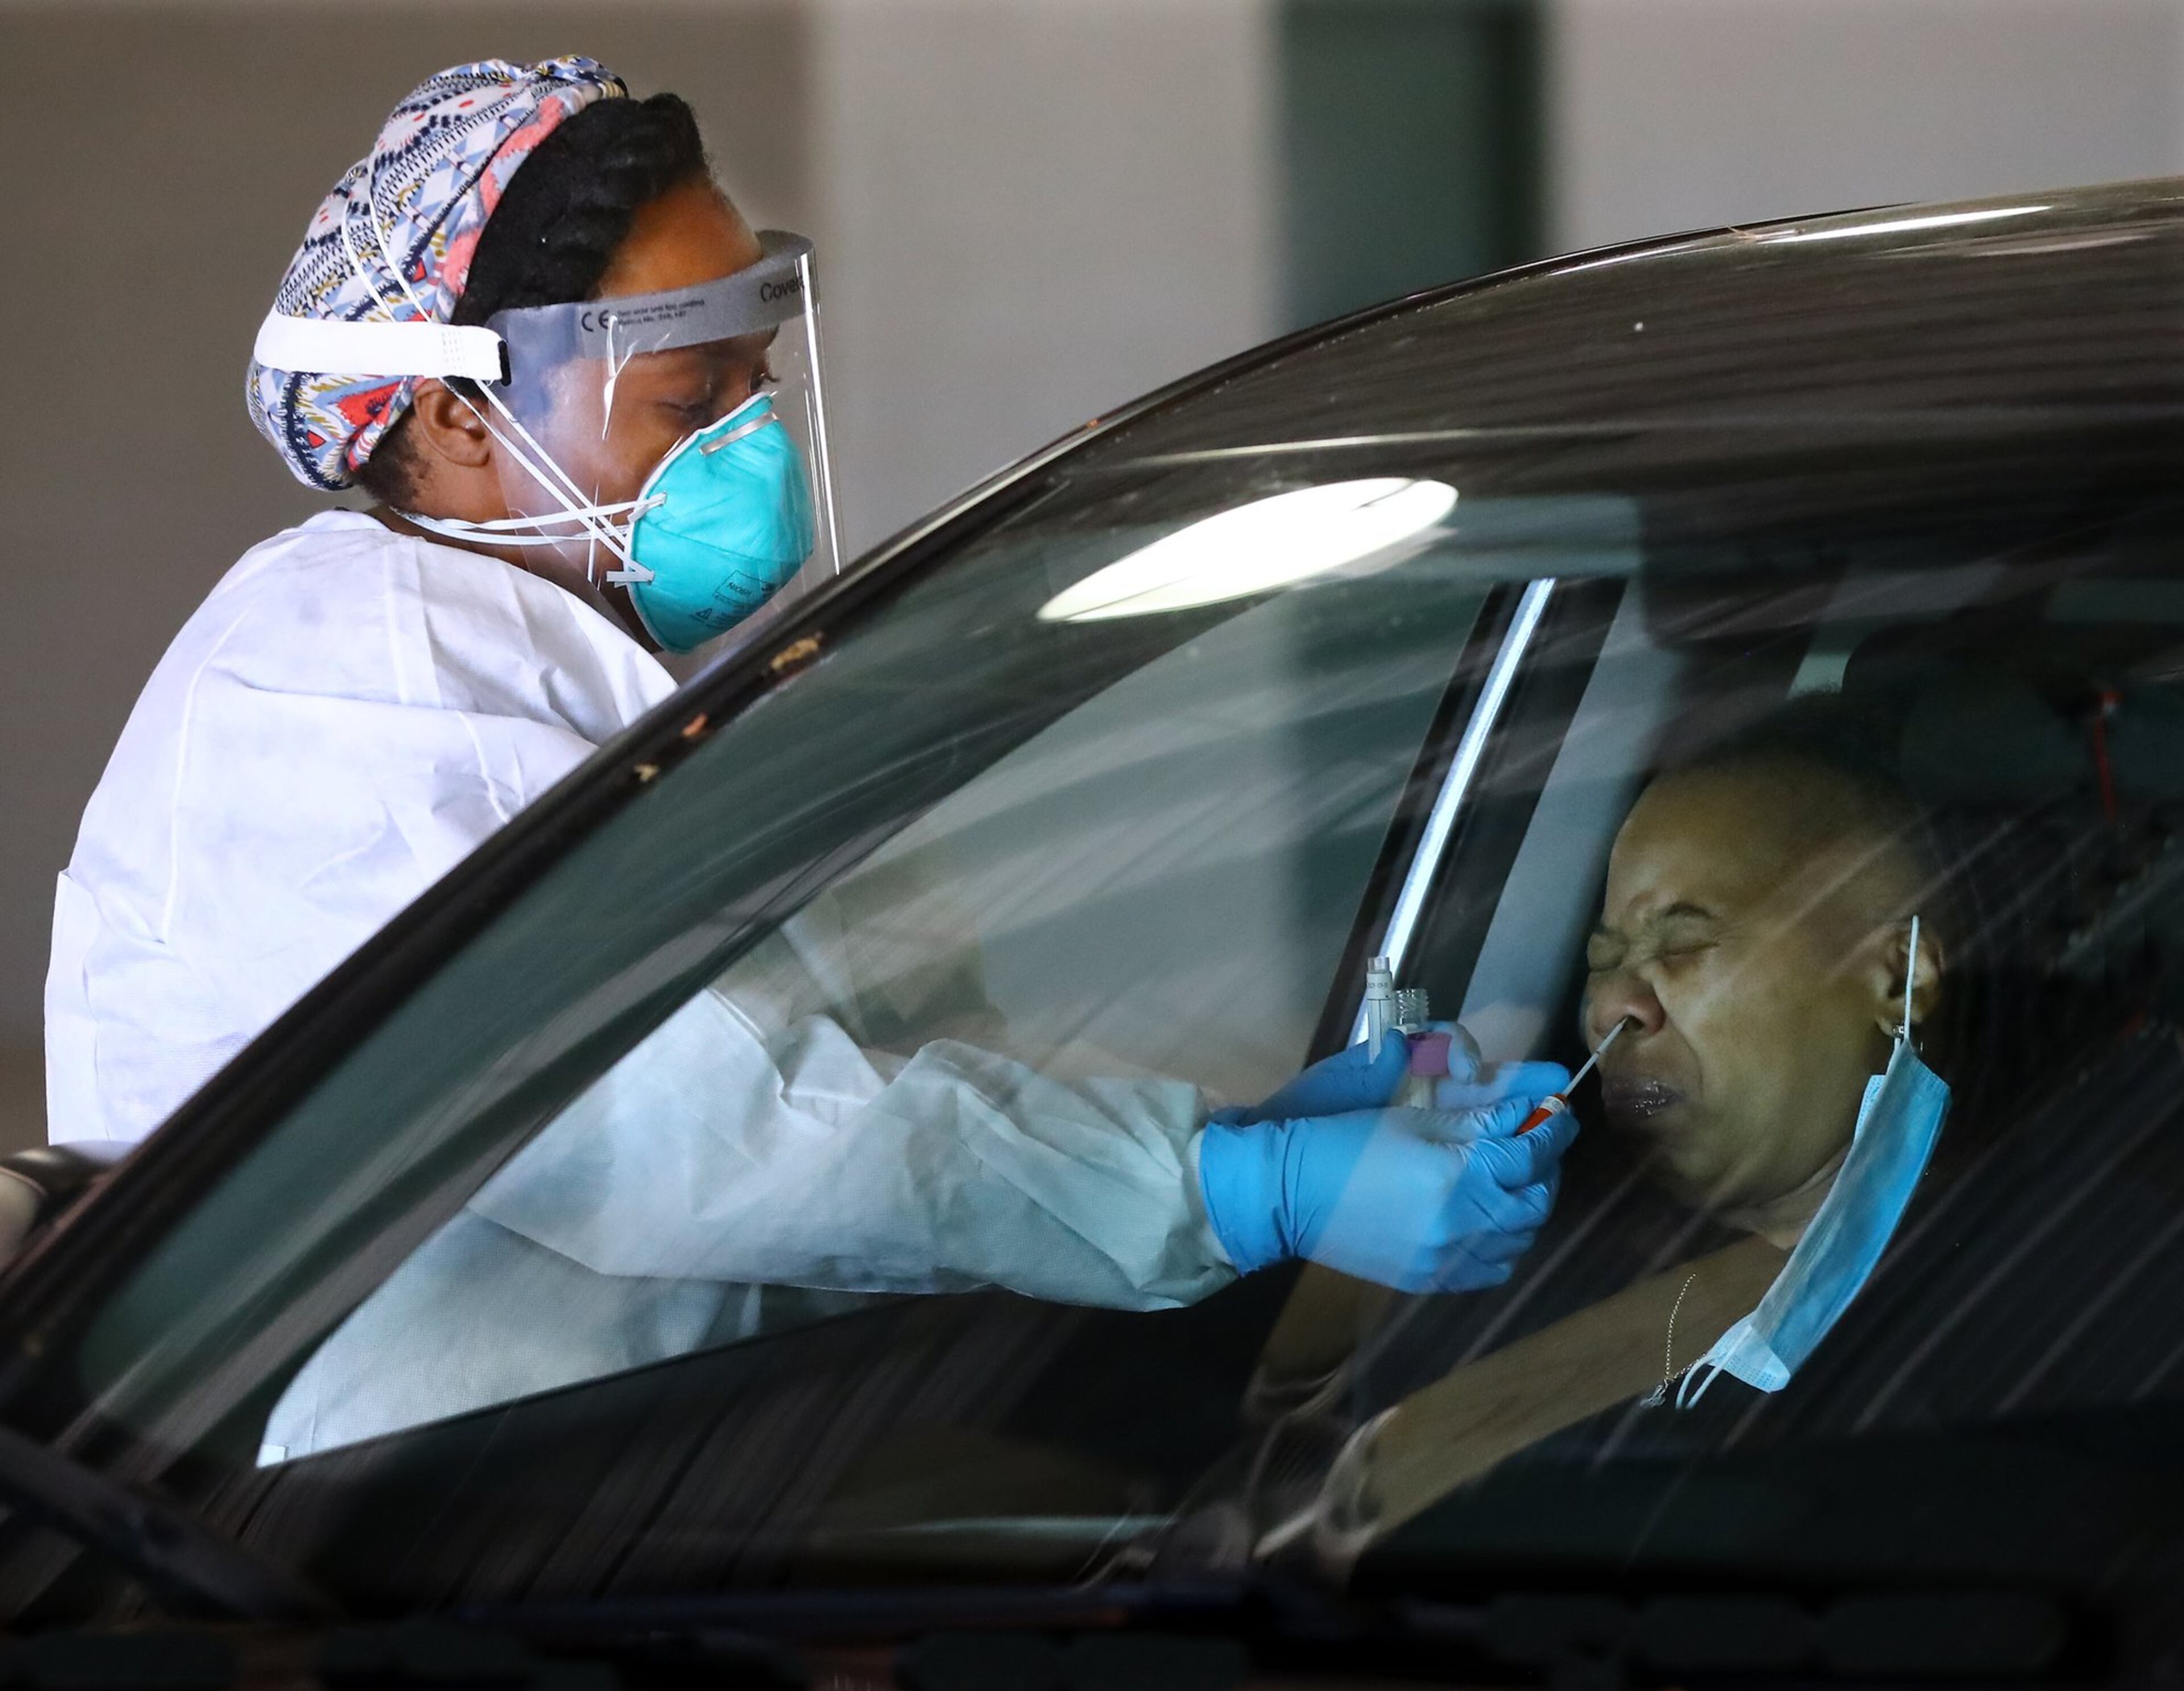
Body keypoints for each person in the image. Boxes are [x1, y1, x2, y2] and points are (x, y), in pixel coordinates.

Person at [44, 59, 1580, 1433]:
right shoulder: (346, 688)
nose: (752, 440)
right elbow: (702, 1138)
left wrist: (1233, 1132)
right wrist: (1226, 1191)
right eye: (689, 395)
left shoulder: (612, 671)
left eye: (756, 380)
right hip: (396, 1523)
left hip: (681, 1473)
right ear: (456, 417)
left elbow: (882, 1059)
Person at [1294, 709, 1956, 1555]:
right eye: (1604, 962)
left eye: (1684, 942)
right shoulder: (1504, 1257)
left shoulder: (2053, 1295)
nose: (1614, 1005)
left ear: (1896, 977)